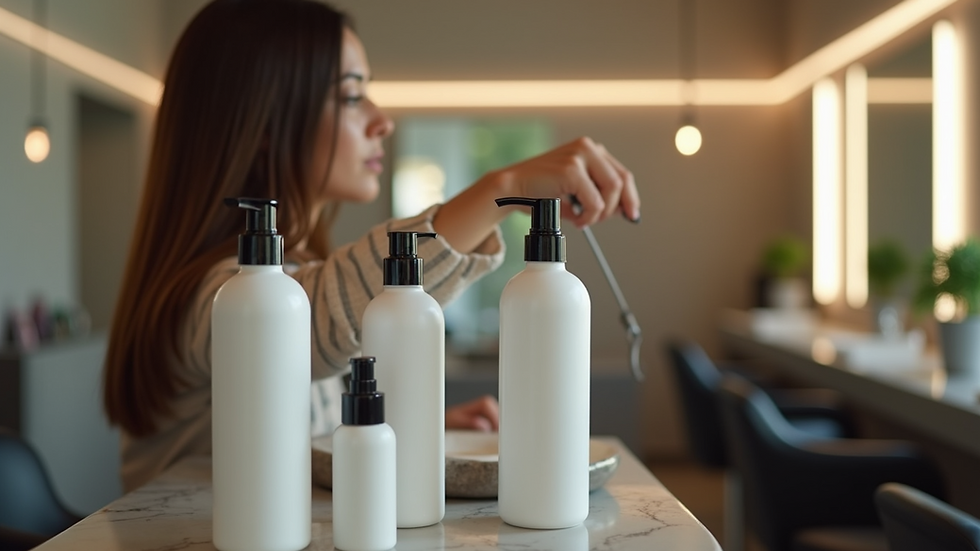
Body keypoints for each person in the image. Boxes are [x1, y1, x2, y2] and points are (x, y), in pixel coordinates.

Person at [102, 0, 640, 493]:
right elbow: (316, 319)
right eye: (352, 96)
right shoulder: (215, 298)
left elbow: (298, 420)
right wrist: (500, 188)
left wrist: (393, 426)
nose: (382, 120)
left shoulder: (290, 274)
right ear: (264, 125)